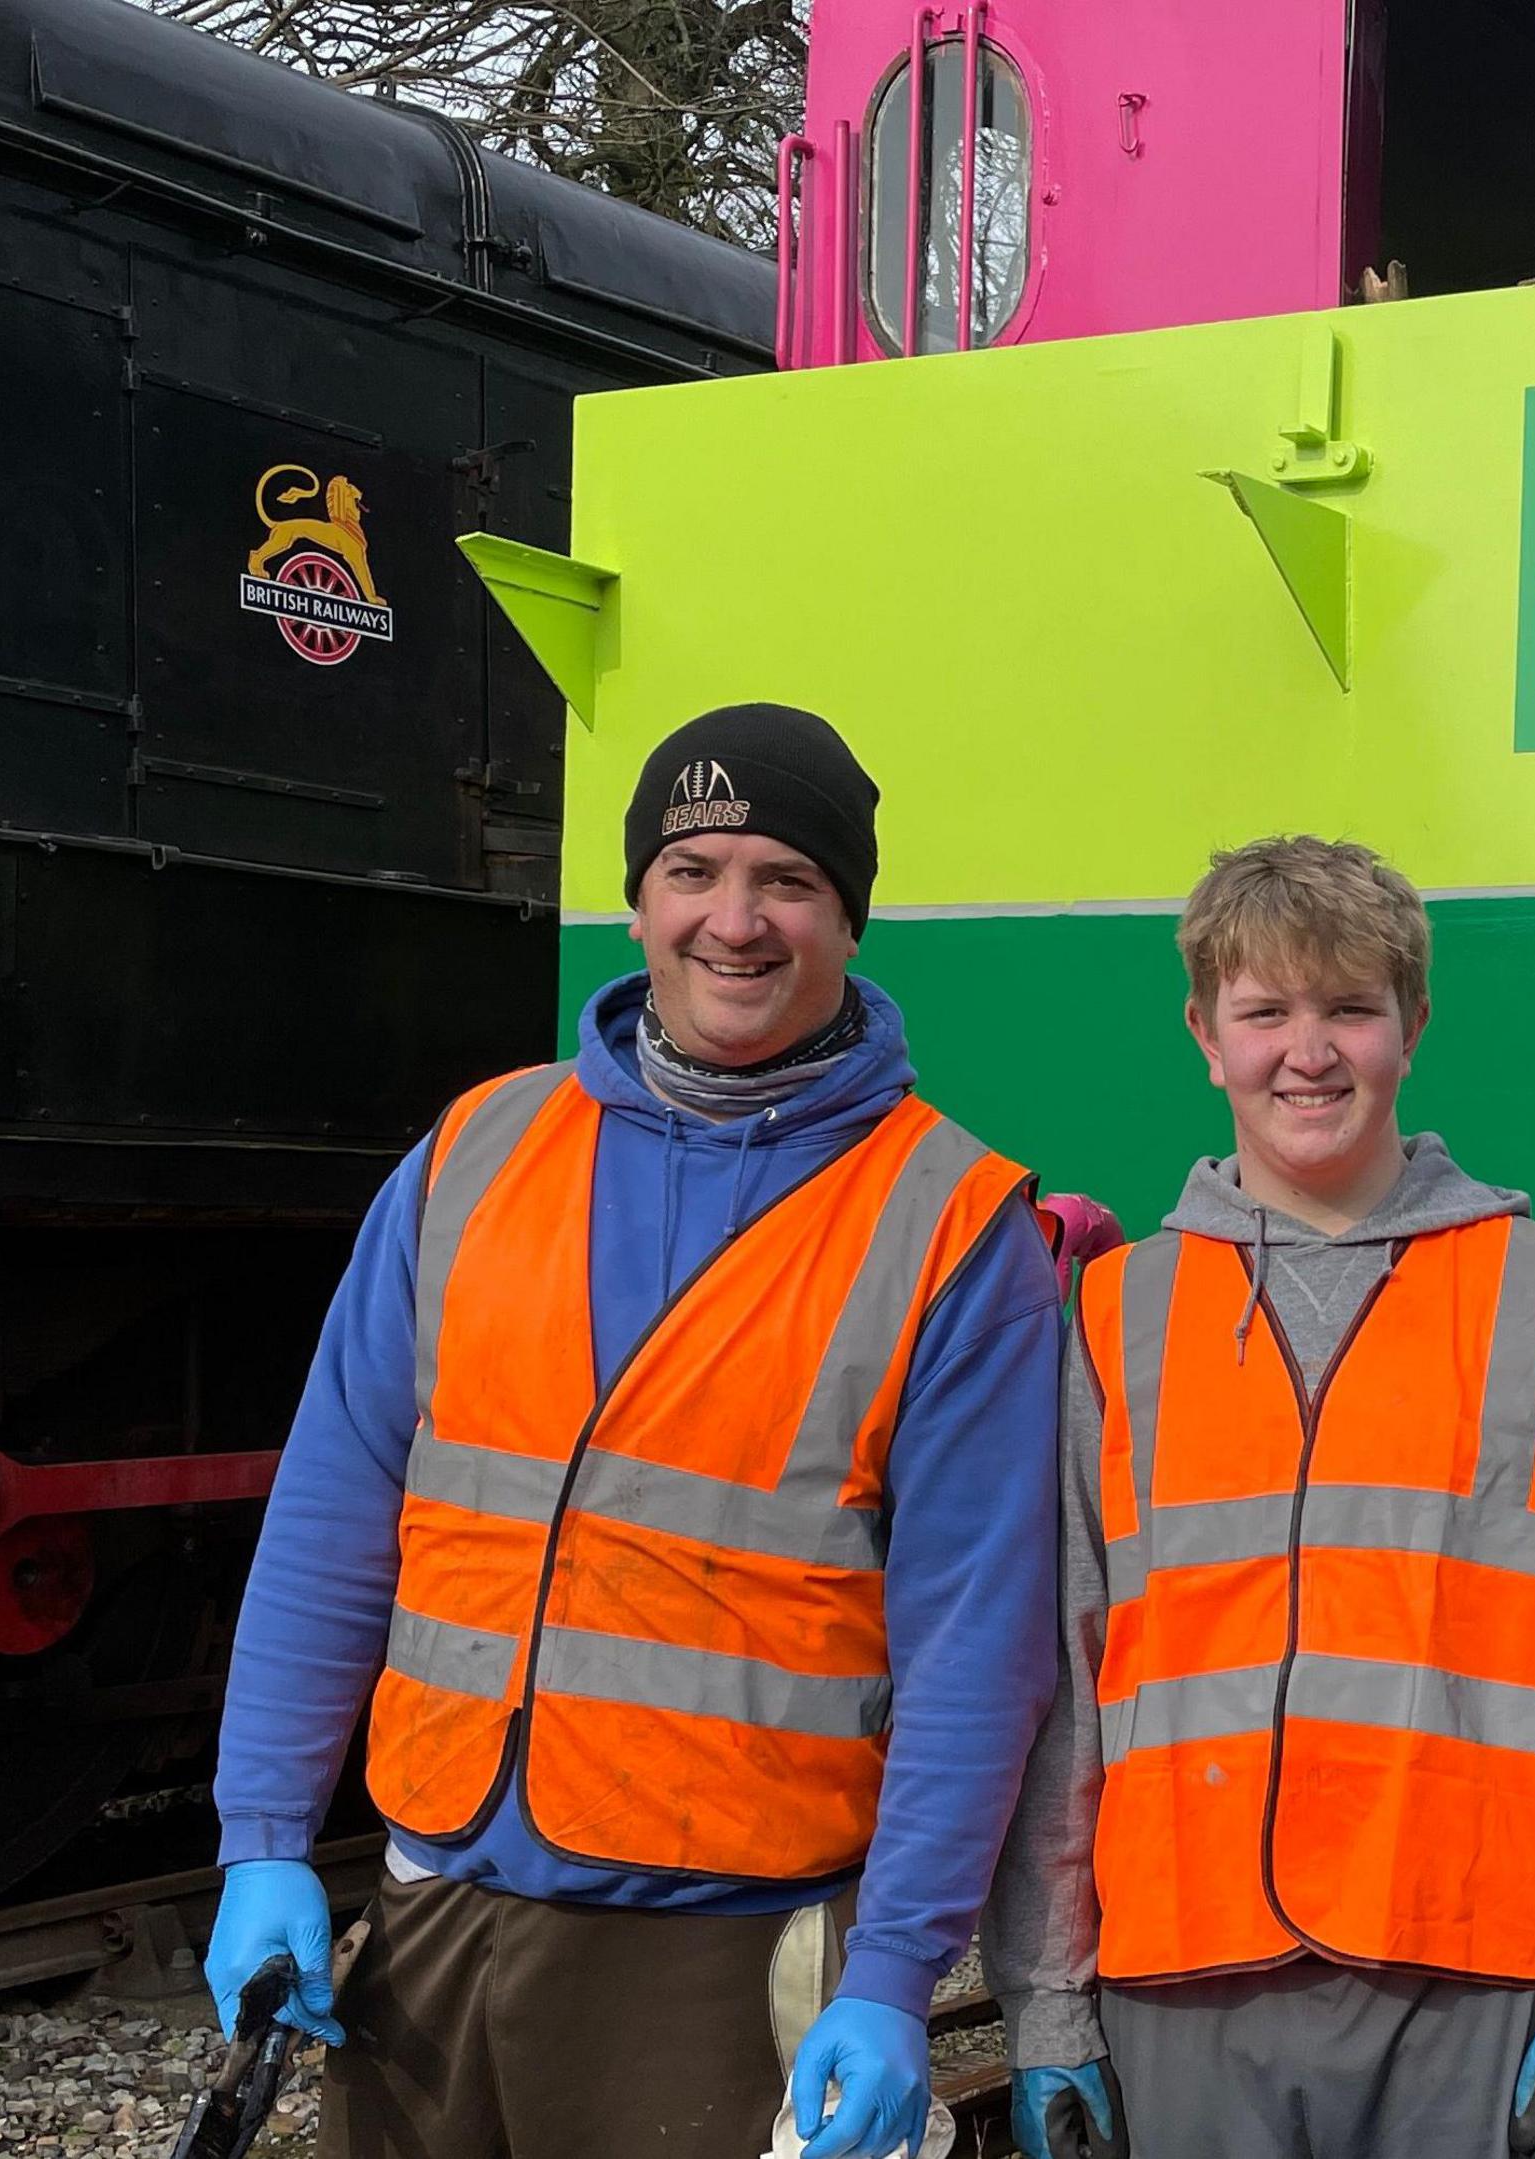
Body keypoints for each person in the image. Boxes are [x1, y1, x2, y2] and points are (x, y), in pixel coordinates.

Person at [203, 704, 1065, 2159]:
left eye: (787, 878)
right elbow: (334, 1518)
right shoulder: (475, 1151)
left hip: (716, 1958)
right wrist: (263, 1836)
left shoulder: (951, 1224)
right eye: (694, 870)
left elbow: (980, 1645)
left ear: (849, 917)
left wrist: (899, 1972)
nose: (735, 920)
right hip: (431, 1911)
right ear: (637, 901)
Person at [983, 835, 1535, 2159]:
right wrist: (1048, 1995)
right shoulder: (1114, 1314)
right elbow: (1061, 1681)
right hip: (1183, 1981)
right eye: (1266, 1012)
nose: (1308, 1052)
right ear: (1205, 1032)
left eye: (1350, 1008)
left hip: (1470, 1971)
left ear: (1412, 1025)